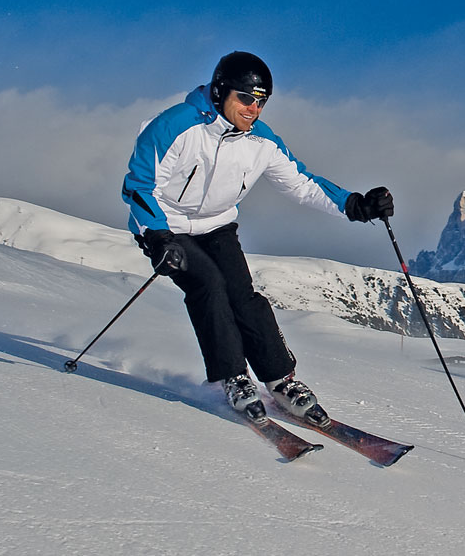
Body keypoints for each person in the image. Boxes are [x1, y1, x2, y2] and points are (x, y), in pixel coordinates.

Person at [121, 50, 393, 426]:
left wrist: (354, 205)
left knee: (243, 296)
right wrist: (158, 237)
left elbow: (302, 182)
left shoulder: (261, 141)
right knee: (208, 286)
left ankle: (281, 380)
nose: (254, 109)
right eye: (246, 98)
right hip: (167, 226)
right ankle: (231, 377)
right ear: (220, 92)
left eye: (261, 101)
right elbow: (139, 186)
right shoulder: (175, 127)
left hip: (216, 225)